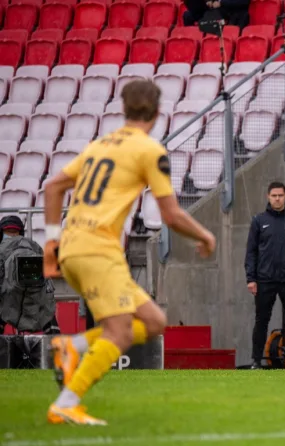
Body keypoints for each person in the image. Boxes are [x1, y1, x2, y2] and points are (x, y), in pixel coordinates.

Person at [42, 80, 216, 425]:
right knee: (120, 331)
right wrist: (205, 235)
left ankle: (72, 348)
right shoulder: (149, 150)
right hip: (97, 249)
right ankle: (67, 401)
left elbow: (53, 186)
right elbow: (170, 214)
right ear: (157, 111)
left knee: (154, 321)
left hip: (73, 246)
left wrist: (50, 241)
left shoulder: (100, 145)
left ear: (123, 109)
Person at [245, 182, 285, 369]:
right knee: (261, 321)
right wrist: (251, 279)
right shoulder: (259, 221)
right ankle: (256, 361)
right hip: (265, 280)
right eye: (274, 195)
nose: (277, 199)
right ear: (268, 196)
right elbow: (251, 252)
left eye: (280, 195)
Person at [0, 216, 60, 336]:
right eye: (9, 233)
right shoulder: (35, 246)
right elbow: (47, 280)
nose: (11, 236)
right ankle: (56, 350)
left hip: (8, 300)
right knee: (48, 318)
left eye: (13, 233)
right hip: (35, 301)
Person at [183, 0, 250, 29]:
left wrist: (221, 3)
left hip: (229, 13)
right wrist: (210, 2)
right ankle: (192, 39)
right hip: (214, 10)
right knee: (187, 15)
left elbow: (244, 2)